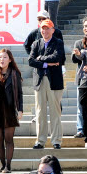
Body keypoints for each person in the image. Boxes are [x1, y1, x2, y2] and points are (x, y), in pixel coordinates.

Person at [28, 19, 65, 149]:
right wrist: (46, 63)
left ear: (52, 30)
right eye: (42, 28)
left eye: (47, 28)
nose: (45, 31)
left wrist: (41, 59)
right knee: (40, 112)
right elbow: (31, 61)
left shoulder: (58, 42)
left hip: (54, 80)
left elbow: (57, 57)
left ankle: (56, 140)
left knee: (55, 111)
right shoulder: (36, 43)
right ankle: (40, 140)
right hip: (39, 80)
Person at [0, 49, 23, 173]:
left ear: (10, 59)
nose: (2, 60)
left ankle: (8, 166)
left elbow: (19, 93)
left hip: (9, 109)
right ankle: (2, 165)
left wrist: (20, 109)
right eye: (0, 57)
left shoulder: (14, 74)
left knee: (8, 139)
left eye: (5, 57)